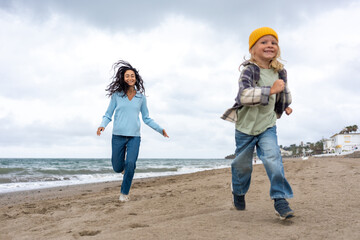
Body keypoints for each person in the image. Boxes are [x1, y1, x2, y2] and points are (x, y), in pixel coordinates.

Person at [221, 27, 294, 220]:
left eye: (273, 42)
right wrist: (270, 90)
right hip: (245, 127)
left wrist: (285, 106)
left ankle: (280, 199)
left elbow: (283, 92)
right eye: (264, 42)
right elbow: (244, 96)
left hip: (267, 125)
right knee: (242, 166)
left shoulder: (280, 72)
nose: (270, 45)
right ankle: (238, 192)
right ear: (253, 49)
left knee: (273, 159)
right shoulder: (249, 70)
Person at [97, 60, 169, 202]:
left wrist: (160, 129)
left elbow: (147, 118)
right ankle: (123, 169)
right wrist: (102, 125)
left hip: (134, 137)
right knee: (117, 167)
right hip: (117, 136)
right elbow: (108, 114)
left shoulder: (140, 98)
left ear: (136, 78)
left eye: (132, 76)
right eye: (127, 76)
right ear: (123, 78)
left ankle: (124, 193)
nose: (130, 78)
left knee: (131, 163)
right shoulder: (117, 96)